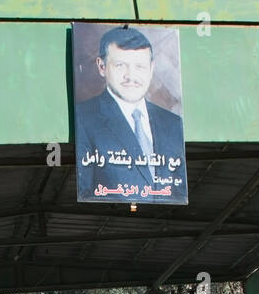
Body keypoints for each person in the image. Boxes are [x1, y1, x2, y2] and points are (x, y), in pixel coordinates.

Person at [74, 27, 187, 204]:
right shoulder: (84, 119)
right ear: (101, 66)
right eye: (120, 65)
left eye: (140, 66)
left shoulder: (172, 123)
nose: (131, 76)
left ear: (151, 69)